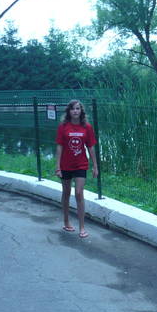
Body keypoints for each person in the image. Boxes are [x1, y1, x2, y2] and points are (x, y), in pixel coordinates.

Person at [55, 100, 98, 238]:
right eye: (73, 109)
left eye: (78, 108)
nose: (75, 111)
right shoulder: (63, 127)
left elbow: (91, 147)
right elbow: (59, 146)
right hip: (65, 165)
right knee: (66, 192)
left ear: (81, 111)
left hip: (81, 164)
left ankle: (82, 227)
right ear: (69, 111)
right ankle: (66, 221)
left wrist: (95, 166)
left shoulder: (87, 127)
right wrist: (57, 167)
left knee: (79, 193)